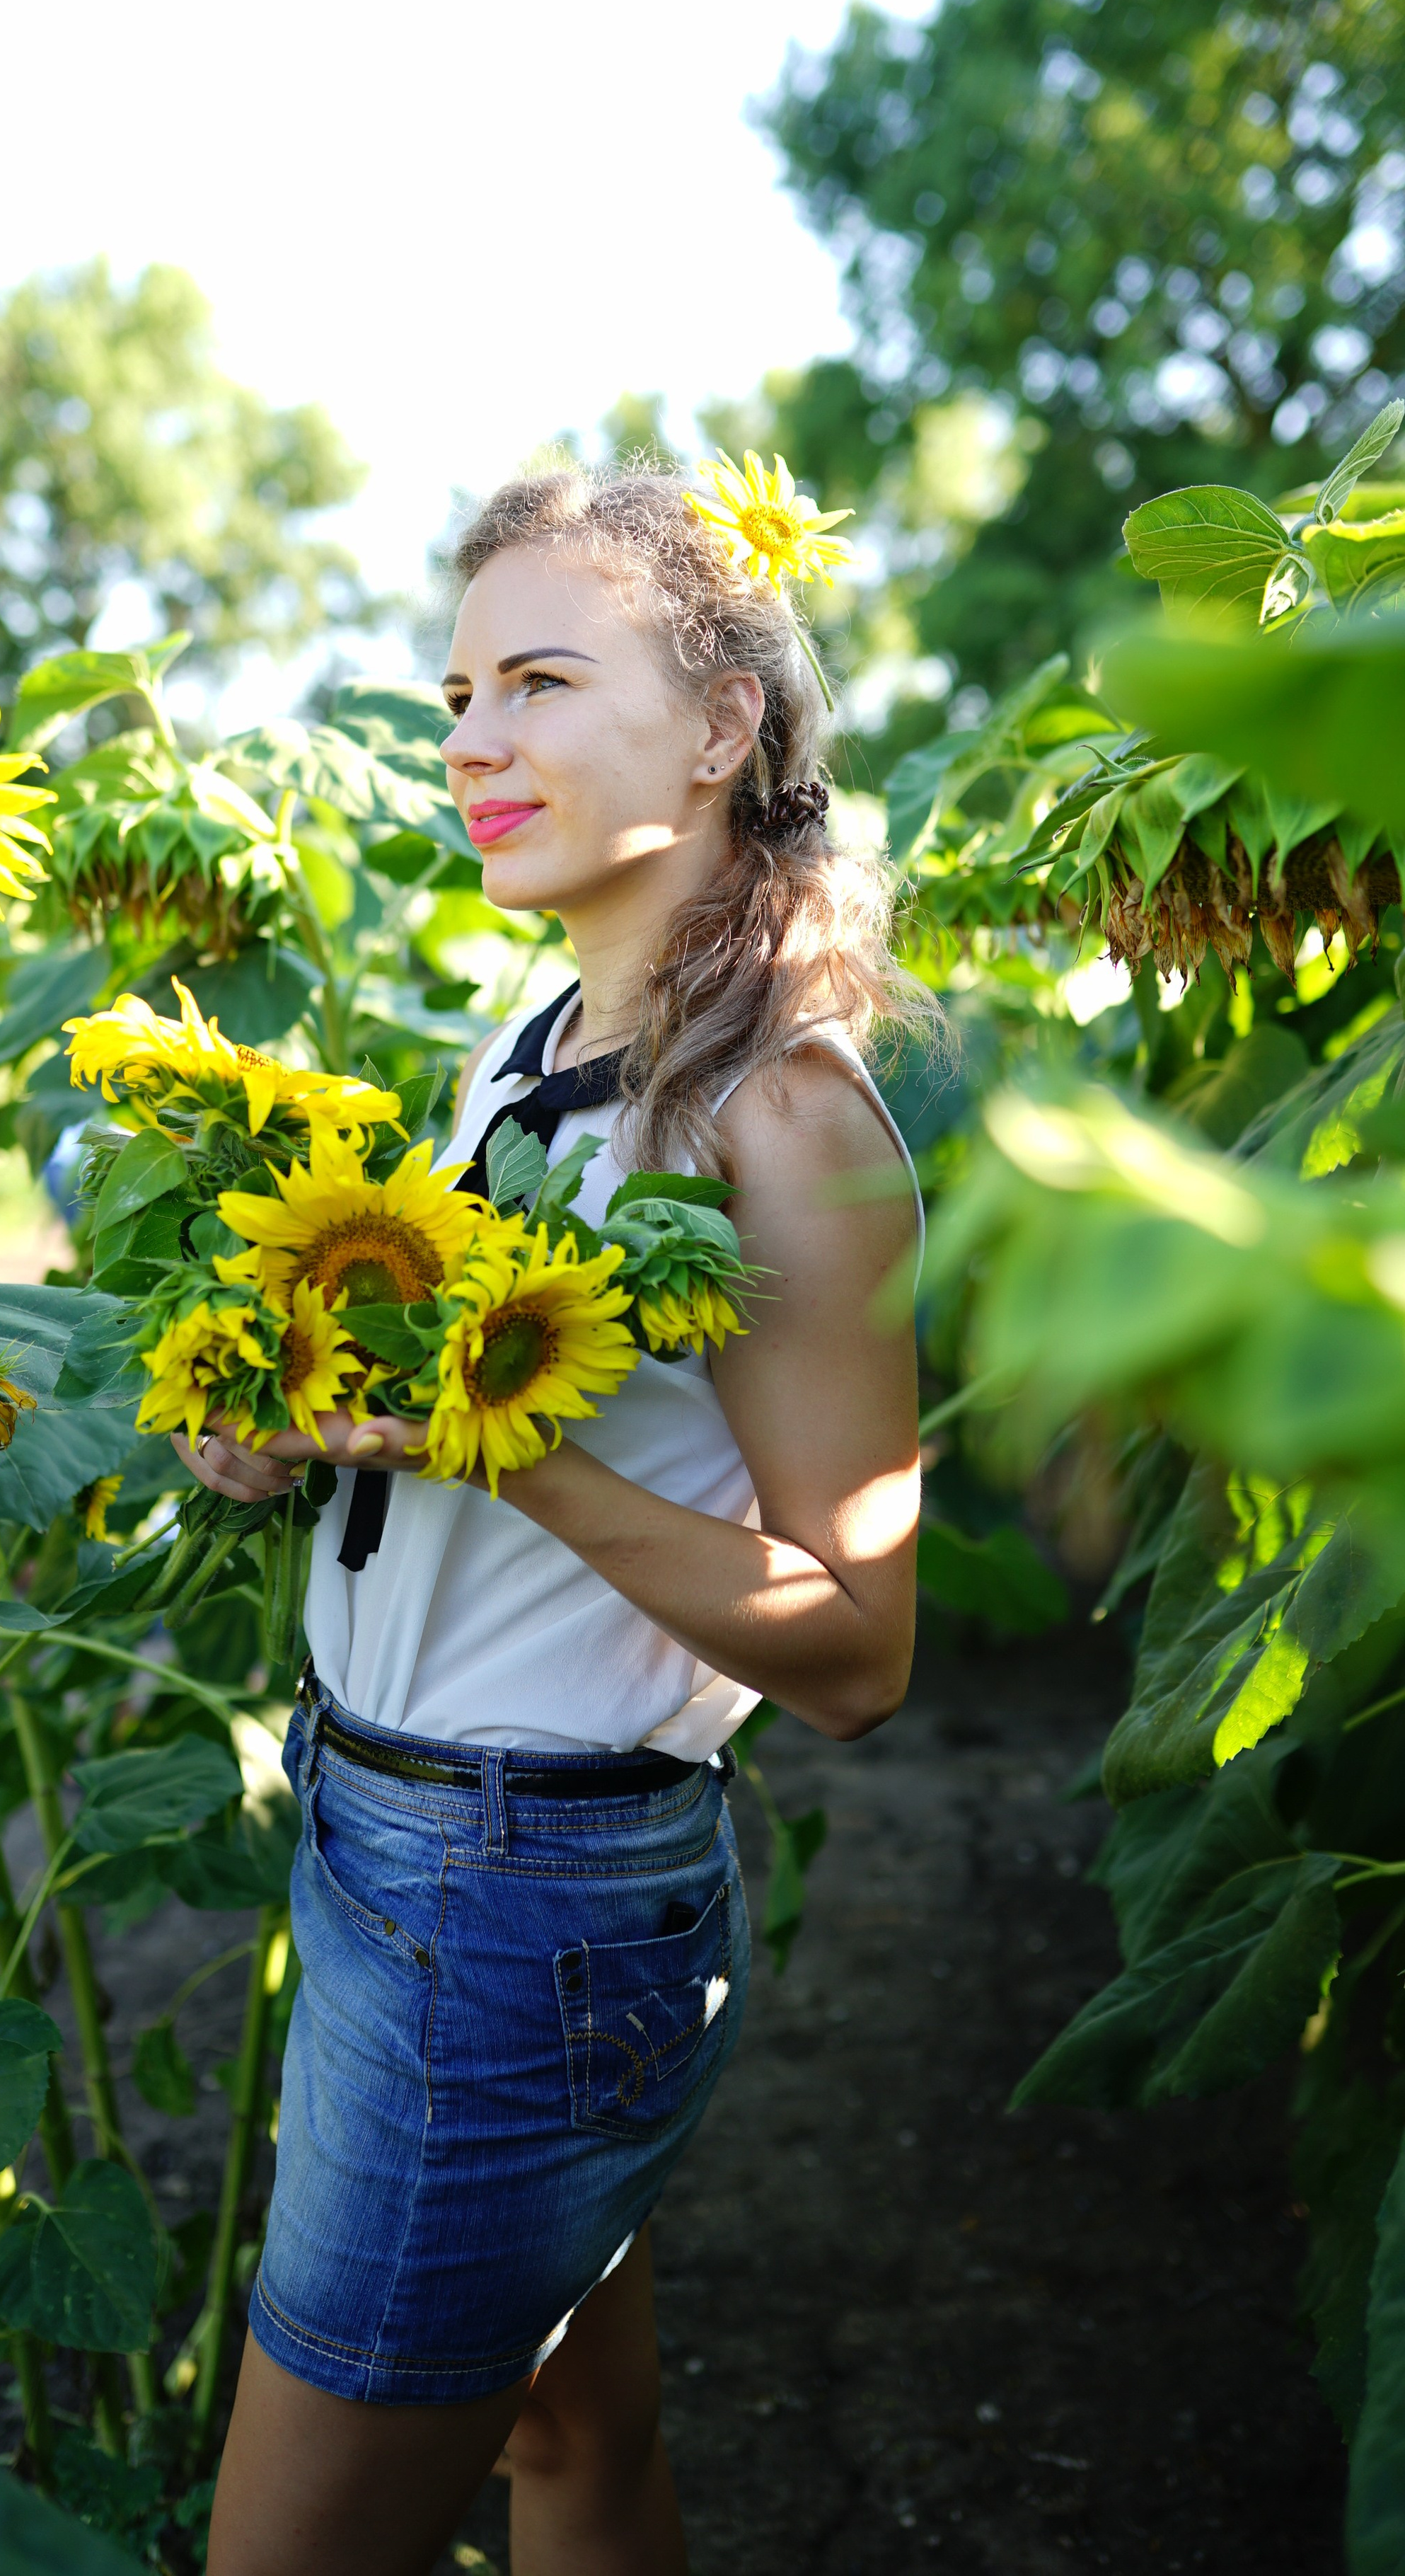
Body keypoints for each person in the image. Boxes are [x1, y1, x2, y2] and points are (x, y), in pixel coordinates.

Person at [182, 463, 927, 2576]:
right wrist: (290, 1427)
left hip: (513, 1910)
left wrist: (517, 1455)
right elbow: (449, 1445)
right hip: (403, 1835)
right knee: (570, 2457)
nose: (470, 742)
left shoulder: (781, 1113)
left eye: (535, 679)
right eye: (452, 693)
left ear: (722, 728)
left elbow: (862, 1651)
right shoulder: (523, 1042)